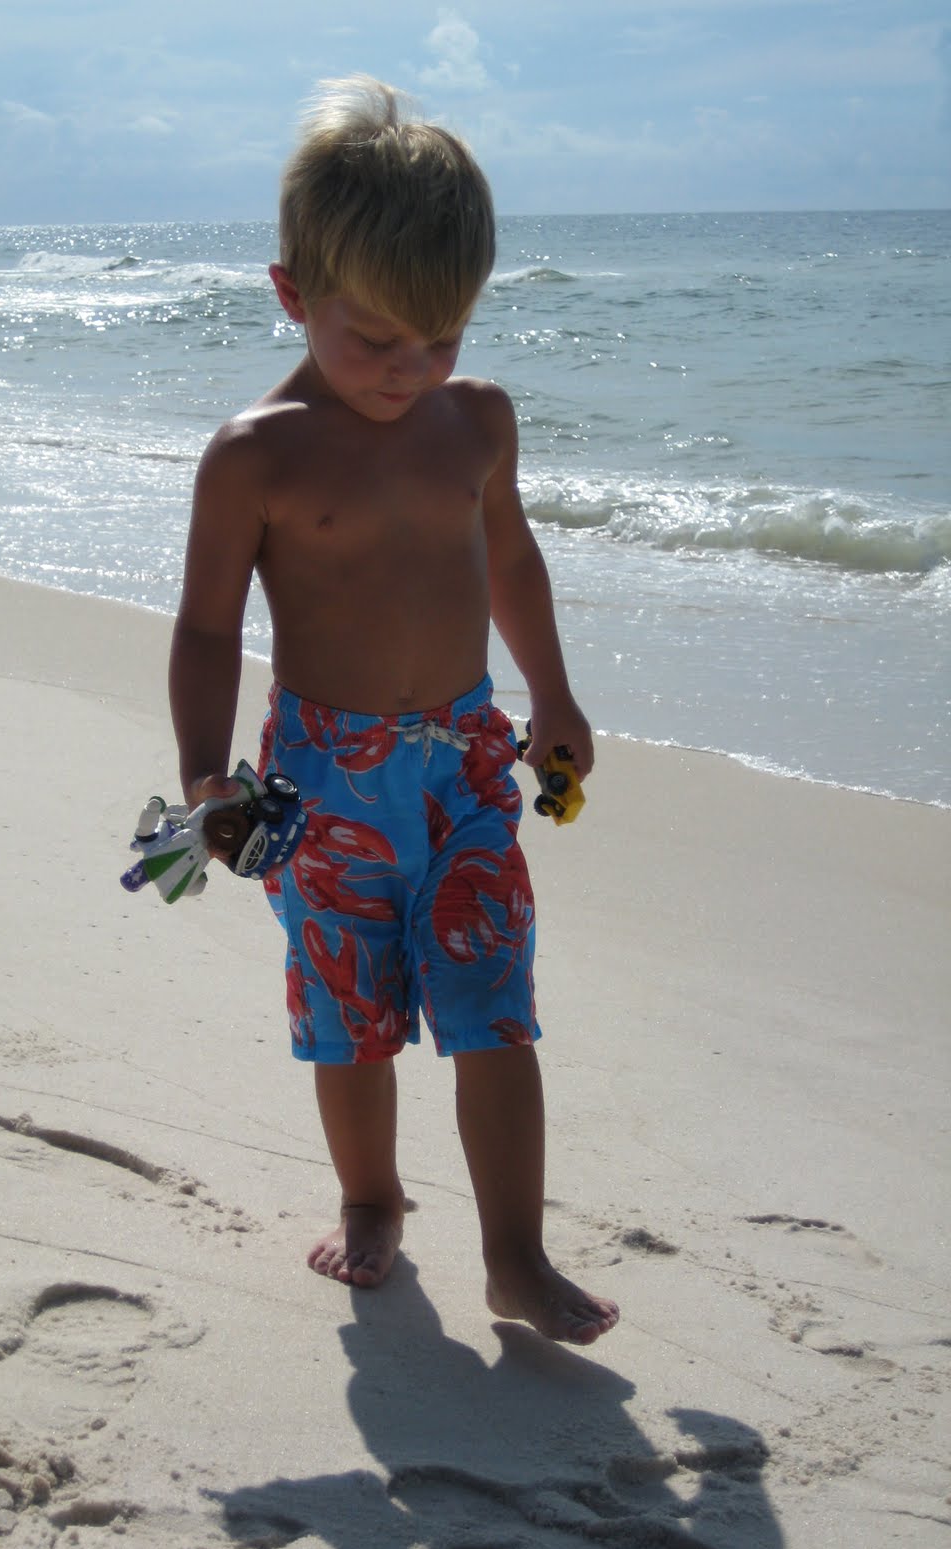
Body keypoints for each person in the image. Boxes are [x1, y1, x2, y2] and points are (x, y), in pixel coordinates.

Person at [168, 75, 618, 1346]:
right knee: (349, 1013)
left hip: (467, 764)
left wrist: (553, 692)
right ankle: (371, 1198)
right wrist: (204, 775)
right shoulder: (256, 454)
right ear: (293, 294)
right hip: (322, 783)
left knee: (494, 998)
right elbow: (207, 629)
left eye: (443, 337)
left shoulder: (475, 423)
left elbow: (511, 559)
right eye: (375, 339)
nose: (411, 369)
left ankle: (515, 1255)